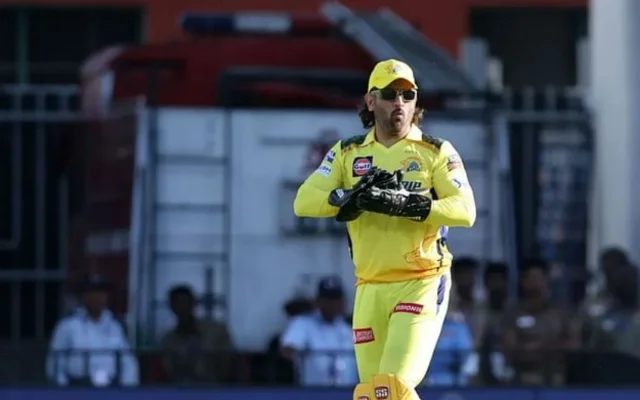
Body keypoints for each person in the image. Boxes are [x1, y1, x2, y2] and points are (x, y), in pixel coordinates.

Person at [293, 59, 476, 400]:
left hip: (419, 280)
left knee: (389, 388)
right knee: (369, 395)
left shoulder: (434, 151)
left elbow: (465, 211)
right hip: (369, 285)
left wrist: (405, 203)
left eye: (408, 95)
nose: (400, 103)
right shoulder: (348, 152)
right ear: (371, 101)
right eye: (391, 95)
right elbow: (303, 201)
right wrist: (348, 198)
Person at [46, 276, 139, 387]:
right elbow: (55, 362)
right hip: (79, 388)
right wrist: (64, 390)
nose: (97, 297)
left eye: (101, 293)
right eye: (92, 292)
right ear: (84, 296)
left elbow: (127, 361)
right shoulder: (68, 326)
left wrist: (127, 389)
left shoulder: (115, 326)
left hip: (110, 388)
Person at [280, 276, 358, 387]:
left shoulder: (348, 329)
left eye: (336, 299)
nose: (332, 304)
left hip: (347, 393)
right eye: (327, 299)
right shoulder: (303, 324)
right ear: (318, 301)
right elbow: (286, 350)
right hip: (314, 393)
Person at [160, 285, 234, 384]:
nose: (182, 308)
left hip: (214, 389)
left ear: (193, 303)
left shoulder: (216, 331)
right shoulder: (168, 340)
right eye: (178, 303)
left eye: (185, 302)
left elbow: (229, 364)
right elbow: (169, 371)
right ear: (172, 306)